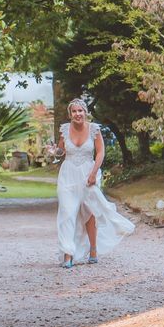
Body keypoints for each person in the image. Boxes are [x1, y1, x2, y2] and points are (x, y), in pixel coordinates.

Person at [52, 98, 135, 268]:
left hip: (88, 173)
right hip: (68, 175)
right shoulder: (64, 130)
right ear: (70, 114)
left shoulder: (94, 130)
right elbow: (61, 151)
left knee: (89, 212)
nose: (77, 114)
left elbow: (100, 153)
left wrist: (93, 172)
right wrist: (54, 151)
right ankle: (68, 253)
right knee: (67, 213)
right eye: (74, 111)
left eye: (80, 111)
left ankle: (93, 249)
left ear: (85, 112)